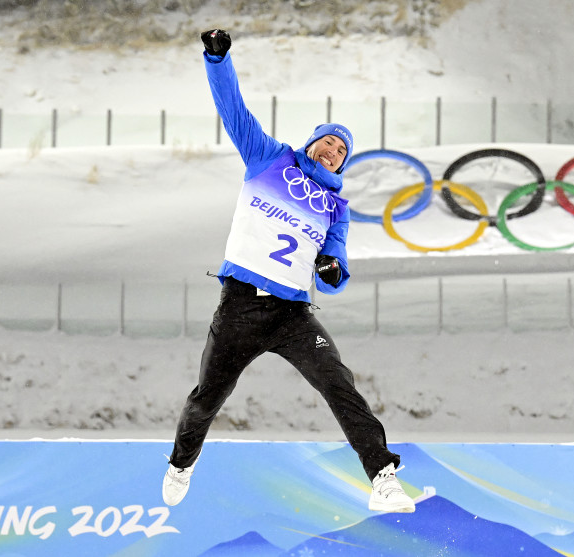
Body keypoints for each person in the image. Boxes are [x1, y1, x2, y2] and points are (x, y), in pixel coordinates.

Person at [162, 29, 415, 514]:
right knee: (206, 399)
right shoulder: (269, 158)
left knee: (339, 384)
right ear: (312, 143)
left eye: (341, 151)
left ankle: (383, 478)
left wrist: (331, 268)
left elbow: (335, 270)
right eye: (328, 142)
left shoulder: (336, 208)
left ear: (343, 163)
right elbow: (234, 111)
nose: (332, 151)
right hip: (240, 306)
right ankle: (180, 463)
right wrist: (218, 59)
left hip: (292, 315)